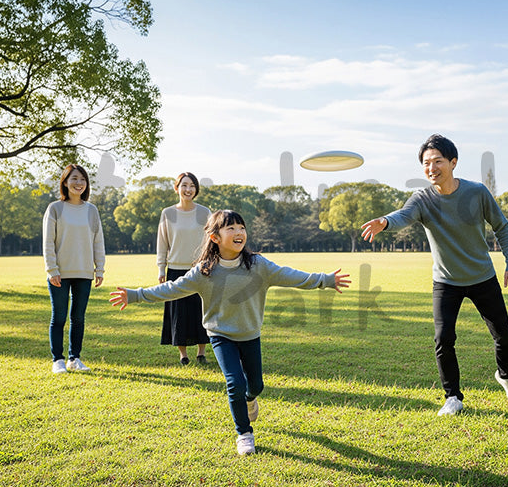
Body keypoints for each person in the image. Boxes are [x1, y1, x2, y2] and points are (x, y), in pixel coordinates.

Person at [110, 210, 350, 456]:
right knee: (234, 382)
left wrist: (325, 280)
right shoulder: (204, 271)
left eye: (242, 228)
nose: (239, 232)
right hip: (220, 334)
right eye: (231, 228)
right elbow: (172, 289)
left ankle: (250, 399)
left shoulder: (258, 265)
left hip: (249, 333)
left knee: (255, 385)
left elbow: (292, 276)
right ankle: (244, 433)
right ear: (215, 237)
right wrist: (136, 294)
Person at [361, 134, 508, 416]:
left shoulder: (477, 192)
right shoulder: (422, 199)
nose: (431, 167)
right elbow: (404, 215)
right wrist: (386, 221)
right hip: (446, 281)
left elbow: (502, 227)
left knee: (504, 335)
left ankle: (506, 377)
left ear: (453, 162)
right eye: (426, 163)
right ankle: (453, 397)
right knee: (443, 338)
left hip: (482, 277)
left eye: (437, 161)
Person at [43, 164, 105, 374]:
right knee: (58, 317)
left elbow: (98, 241)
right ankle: (57, 360)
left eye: (82, 180)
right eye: (74, 179)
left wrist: (100, 269)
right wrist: (52, 269)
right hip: (59, 272)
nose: (78, 183)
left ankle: (74, 358)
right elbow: (48, 242)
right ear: (65, 182)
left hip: (84, 272)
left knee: (78, 317)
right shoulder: (55, 208)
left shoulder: (91, 210)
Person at [157, 172, 211, 365]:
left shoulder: (205, 212)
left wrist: (210, 263)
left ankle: (201, 352)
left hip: (200, 269)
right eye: (184, 185)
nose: (188, 189)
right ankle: (183, 354)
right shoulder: (168, 213)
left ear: (196, 189)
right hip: (175, 269)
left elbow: (211, 240)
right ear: (177, 188)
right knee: (178, 314)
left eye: (192, 186)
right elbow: (162, 243)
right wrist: (161, 269)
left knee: (200, 310)